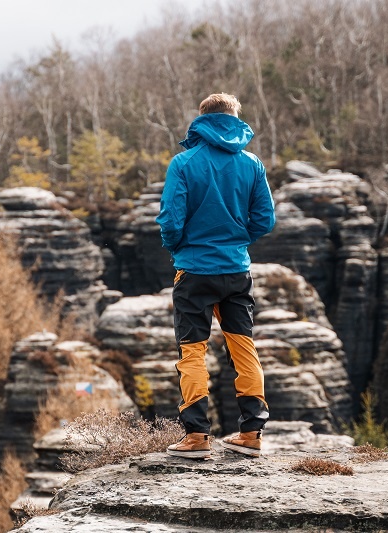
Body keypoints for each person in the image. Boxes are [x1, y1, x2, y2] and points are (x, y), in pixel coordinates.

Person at [155, 93, 275, 459]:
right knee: (243, 347)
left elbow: (171, 221)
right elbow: (265, 220)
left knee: (192, 350)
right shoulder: (252, 163)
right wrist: (236, 241)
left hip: (194, 271)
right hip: (237, 270)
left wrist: (179, 250)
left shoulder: (184, 162)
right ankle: (251, 433)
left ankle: (196, 437)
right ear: (235, 119)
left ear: (202, 119)